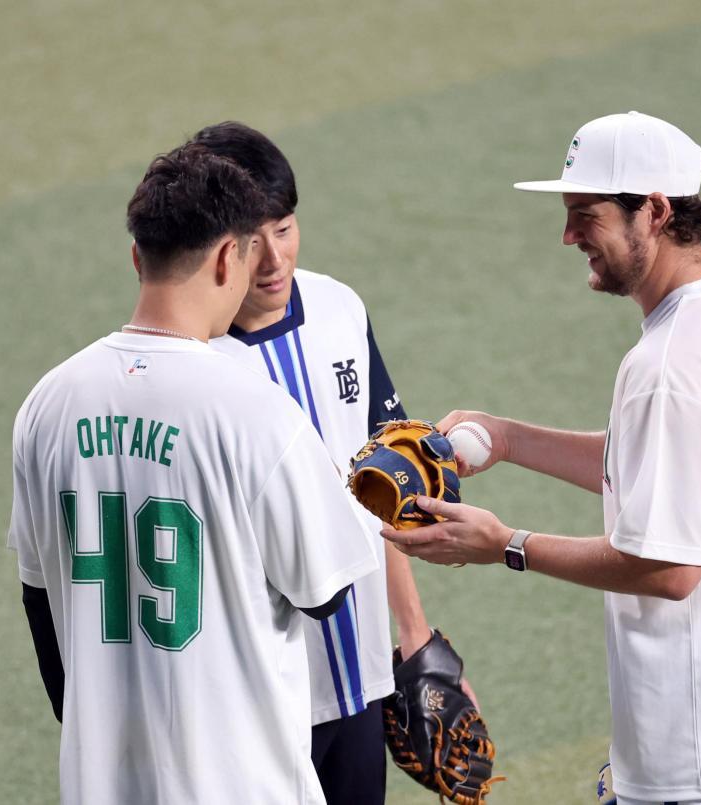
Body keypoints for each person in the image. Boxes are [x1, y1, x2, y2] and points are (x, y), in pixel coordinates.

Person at [384, 111, 701, 805]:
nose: (569, 234)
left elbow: (669, 566)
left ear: (655, 211)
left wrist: (505, 544)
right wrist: (510, 438)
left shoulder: (669, 365)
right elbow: (672, 464)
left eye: (586, 215)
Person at [7, 144, 380, 805]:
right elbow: (325, 595)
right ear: (226, 258)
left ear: (136, 258)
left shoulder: (48, 402)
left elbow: (41, 601)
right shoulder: (259, 413)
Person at [190, 121, 471, 805]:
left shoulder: (341, 308)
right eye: (253, 243)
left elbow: (381, 488)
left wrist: (414, 639)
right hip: (252, 696)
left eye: (285, 230)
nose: (275, 260)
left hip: (358, 675)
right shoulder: (190, 361)